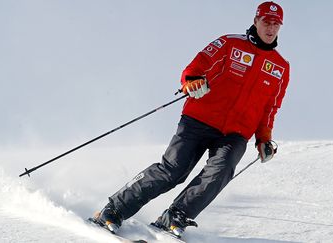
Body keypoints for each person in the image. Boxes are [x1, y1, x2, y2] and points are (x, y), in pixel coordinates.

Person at [90, 1, 290, 238]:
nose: (271, 28)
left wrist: (264, 138)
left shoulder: (280, 67)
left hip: (235, 133)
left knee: (221, 171)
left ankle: (174, 217)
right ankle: (113, 210)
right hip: (199, 119)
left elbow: (270, 108)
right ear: (256, 21)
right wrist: (193, 79)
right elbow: (200, 63)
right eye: (267, 21)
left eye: (276, 24)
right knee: (173, 170)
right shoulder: (230, 43)